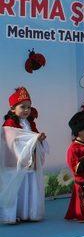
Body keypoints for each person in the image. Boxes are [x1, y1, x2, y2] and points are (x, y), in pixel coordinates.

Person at [0, 87, 48, 224]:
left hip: (29, 162)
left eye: (29, 107)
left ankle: (28, 213)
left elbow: (33, 137)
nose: (27, 110)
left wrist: (40, 138)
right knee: (15, 188)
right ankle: (9, 216)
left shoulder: (29, 123)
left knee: (27, 187)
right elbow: (11, 140)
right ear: (12, 108)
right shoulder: (9, 124)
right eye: (23, 107)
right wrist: (33, 138)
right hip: (14, 163)